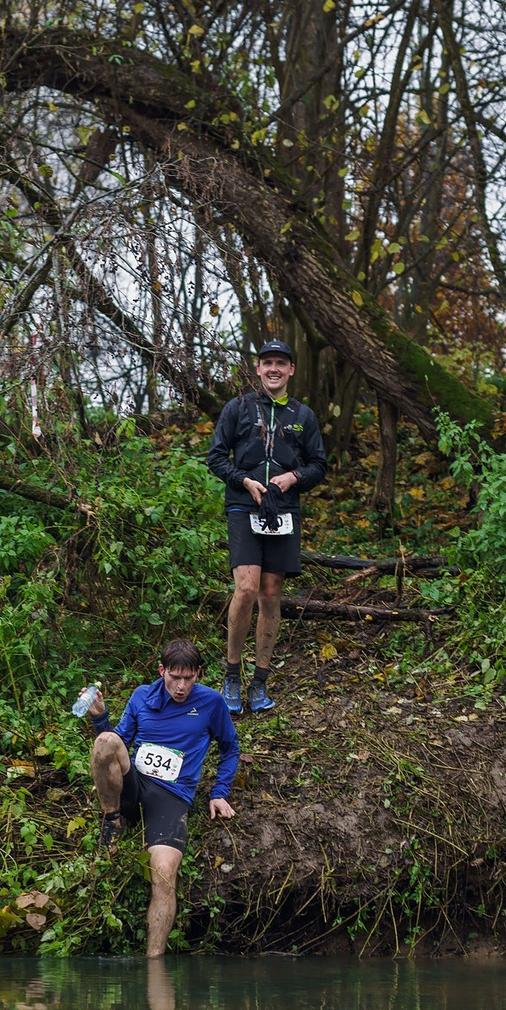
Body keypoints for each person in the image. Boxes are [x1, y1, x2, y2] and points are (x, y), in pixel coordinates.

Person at [85, 639, 241, 957]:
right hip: (134, 783)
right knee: (105, 740)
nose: (181, 686)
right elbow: (119, 742)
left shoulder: (211, 703)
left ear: (198, 673)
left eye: (188, 678)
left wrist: (219, 793)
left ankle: (154, 965)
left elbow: (231, 749)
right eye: (174, 677)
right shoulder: (143, 695)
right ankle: (112, 820)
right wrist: (100, 717)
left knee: (165, 873)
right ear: (162, 671)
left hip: (171, 795)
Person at [206, 338, 327, 712]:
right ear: (258, 369)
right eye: (267, 362)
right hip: (244, 506)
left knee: (271, 594)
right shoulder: (238, 408)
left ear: (291, 370)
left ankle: (259, 681)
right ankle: (231, 675)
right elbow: (215, 457)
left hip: (284, 510)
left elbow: (319, 465)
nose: (273, 368)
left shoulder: (302, 415)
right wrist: (243, 480)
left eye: (281, 363)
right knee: (246, 588)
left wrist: (294, 478)